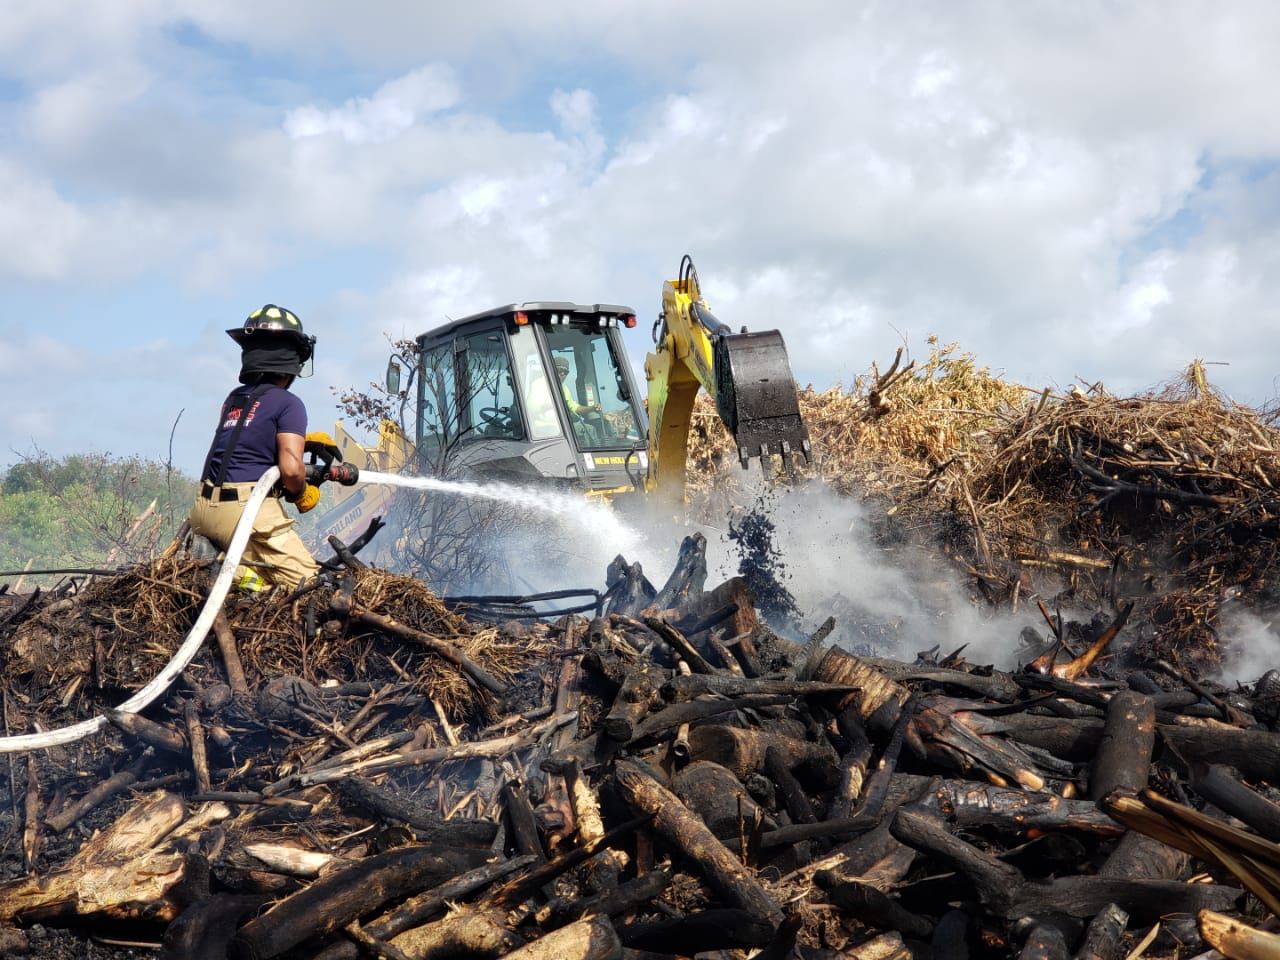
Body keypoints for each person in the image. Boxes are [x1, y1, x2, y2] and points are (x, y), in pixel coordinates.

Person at [188, 304, 321, 590]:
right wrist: (300, 493)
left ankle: (229, 569)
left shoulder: (234, 398)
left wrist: (303, 442)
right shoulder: (289, 403)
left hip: (203, 510)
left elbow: (244, 443)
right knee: (309, 586)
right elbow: (290, 469)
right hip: (245, 510)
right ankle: (241, 579)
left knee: (256, 564)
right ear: (294, 361)